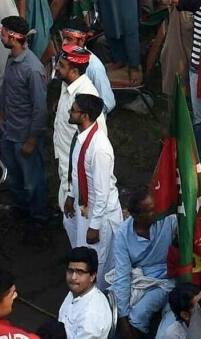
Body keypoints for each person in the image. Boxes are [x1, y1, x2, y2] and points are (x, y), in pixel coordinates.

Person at [0, 16, 48, 226]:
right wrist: (1, 117)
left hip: (24, 136)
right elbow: (6, 91)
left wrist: (32, 140)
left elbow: (40, 109)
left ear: (13, 38)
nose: (0, 37)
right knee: (14, 177)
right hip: (9, 131)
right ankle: (20, 210)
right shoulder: (12, 59)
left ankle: (39, 219)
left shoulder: (33, 69)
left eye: (3, 34)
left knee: (32, 181)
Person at [104, 187, 174, 334]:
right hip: (140, 279)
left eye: (155, 207)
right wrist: (122, 317)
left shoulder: (168, 220)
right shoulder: (123, 234)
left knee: (138, 315)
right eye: (150, 210)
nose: (155, 212)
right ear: (136, 216)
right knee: (111, 307)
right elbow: (122, 275)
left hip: (166, 279)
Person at [62, 95, 121, 265]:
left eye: (73, 110)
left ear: (85, 116)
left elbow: (102, 193)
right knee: (82, 251)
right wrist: (71, 196)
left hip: (99, 213)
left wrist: (95, 226)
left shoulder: (99, 148)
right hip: (84, 206)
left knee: (97, 261)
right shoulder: (81, 137)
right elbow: (77, 172)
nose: (69, 112)